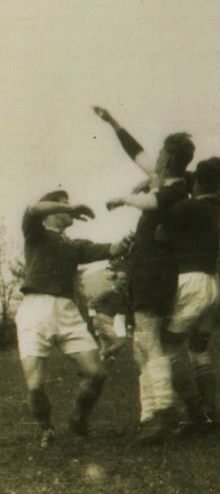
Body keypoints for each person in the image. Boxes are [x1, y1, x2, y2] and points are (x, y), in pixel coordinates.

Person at [95, 106, 194, 442]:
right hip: (146, 266)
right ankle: (150, 414)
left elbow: (153, 202)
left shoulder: (176, 187)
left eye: (162, 151)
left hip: (156, 268)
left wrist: (124, 198)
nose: (156, 155)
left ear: (169, 158)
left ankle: (165, 410)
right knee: (142, 344)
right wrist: (114, 123)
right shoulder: (166, 179)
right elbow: (135, 152)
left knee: (148, 339)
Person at [17, 191, 131, 447]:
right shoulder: (36, 233)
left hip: (67, 310)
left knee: (97, 373)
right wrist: (73, 206)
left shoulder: (75, 245)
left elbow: (113, 249)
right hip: (35, 309)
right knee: (35, 385)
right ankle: (46, 429)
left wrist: (128, 240)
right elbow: (33, 208)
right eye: (63, 205)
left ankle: (78, 419)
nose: (70, 209)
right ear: (50, 213)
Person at [159, 156, 220, 434]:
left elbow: (160, 234)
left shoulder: (185, 208)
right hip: (213, 284)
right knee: (198, 349)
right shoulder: (217, 202)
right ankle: (210, 412)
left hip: (191, 283)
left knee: (166, 349)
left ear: (197, 181)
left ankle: (195, 412)